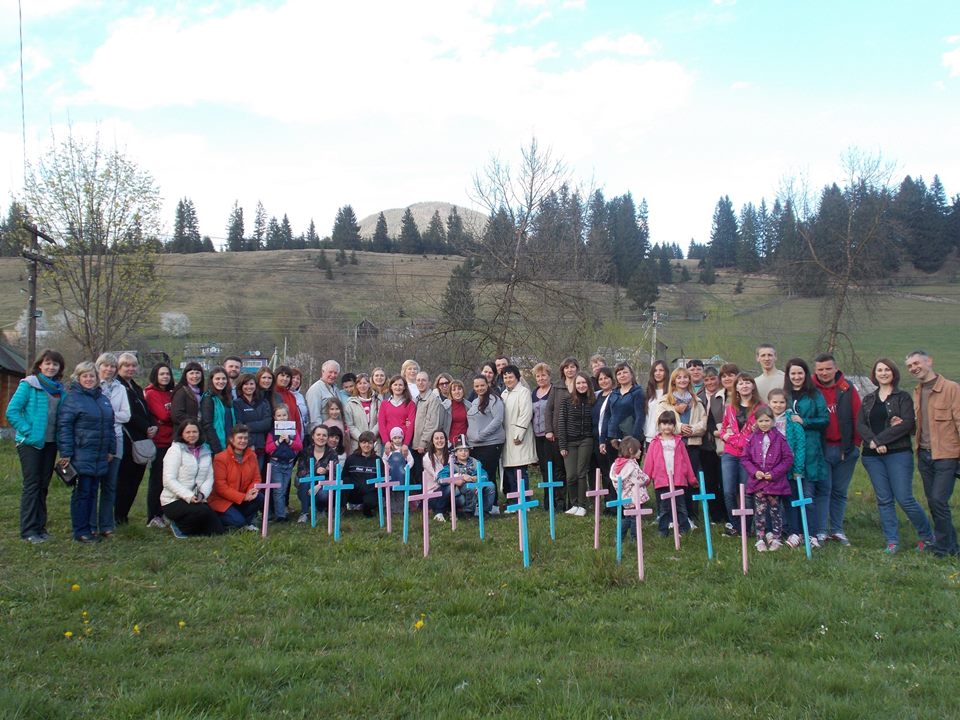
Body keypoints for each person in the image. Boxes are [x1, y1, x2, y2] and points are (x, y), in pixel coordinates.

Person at [857, 358, 933, 553]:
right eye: (879, 370)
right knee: (884, 500)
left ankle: (928, 538)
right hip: (872, 457)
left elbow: (907, 424)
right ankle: (892, 541)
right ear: (875, 374)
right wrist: (873, 442)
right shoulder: (868, 399)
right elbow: (861, 425)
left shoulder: (903, 397)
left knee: (904, 498)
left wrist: (879, 440)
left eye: (887, 370)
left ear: (893, 373)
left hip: (898, 454)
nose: (883, 373)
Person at [7, 348, 65, 544]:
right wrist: (28, 431)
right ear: (40, 365)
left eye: (55, 364)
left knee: (43, 486)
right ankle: (29, 530)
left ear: (59, 368)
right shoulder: (29, 384)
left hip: (50, 443)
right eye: (47, 363)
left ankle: (40, 527)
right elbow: (12, 411)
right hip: (30, 443)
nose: (51, 367)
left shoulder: (59, 390)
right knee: (32, 485)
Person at [907, 350, 960, 558]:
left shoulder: (951, 388)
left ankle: (943, 548)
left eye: (916, 363)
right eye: (910, 366)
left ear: (929, 361)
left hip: (946, 454)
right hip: (924, 454)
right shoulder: (918, 391)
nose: (913, 368)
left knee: (938, 500)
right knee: (933, 502)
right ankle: (951, 546)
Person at [57, 361, 116, 543]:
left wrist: (111, 449)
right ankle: (81, 531)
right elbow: (64, 427)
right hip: (80, 453)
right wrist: (66, 453)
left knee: (92, 491)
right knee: (82, 492)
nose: (89, 379)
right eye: (85, 376)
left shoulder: (102, 399)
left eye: (92, 376)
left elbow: (110, 427)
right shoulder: (72, 399)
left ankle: (90, 528)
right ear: (78, 378)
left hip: (99, 454)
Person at [812, 353, 861, 547]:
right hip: (821, 448)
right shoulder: (811, 389)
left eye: (828, 369)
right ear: (815, 370)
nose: (824, 373)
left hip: (845, 449)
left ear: (835, 368)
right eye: (820, 369)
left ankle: (837, 530)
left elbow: (858, 416)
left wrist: (854, 444)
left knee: (840, 491)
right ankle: (821, 530)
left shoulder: (847, 388)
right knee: (823, 490)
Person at [783, 358, 829, 547]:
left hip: (810, 450)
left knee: (808, 494)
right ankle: (794, 532)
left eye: (800, 373)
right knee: (791, 494)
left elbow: (824, 419)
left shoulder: (814, 395)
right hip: (788, 450)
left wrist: (805, 421)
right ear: (788, 375)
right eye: (793, 373)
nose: (796, 377)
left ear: (806, 374)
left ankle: (811, 533)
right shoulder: (784, 395)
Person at [741, 406, 794, 552]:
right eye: (761, 421)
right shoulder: (752, 439)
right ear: (756, 422)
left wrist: (775, 473)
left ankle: (776, 538)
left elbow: (788, 458)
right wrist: (755, 472)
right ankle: (760, 539)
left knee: (775, 510)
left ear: (772, 421)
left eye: (767, 420)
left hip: (775, 482)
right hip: (758, 482)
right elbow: (745, 458)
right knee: (759, 511)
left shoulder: (780, 438)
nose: (764, 423)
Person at [717, 372, 763, 536]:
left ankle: (747, 527)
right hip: (730, 453)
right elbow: (722, 430)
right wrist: (727, 437)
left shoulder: (761, 407)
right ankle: (735, 525)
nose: (744, 386)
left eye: (747, 382)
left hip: (750, 456)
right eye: (741, 383)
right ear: (736, 388)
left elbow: (761, 431)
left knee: (747, 491)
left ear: (753, 386)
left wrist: (738, 440)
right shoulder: (730, 408)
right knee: (728, 491)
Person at [115, 352, 157, 525]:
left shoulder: (136, 387)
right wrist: (145, 427)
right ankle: (117, 515)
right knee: (124, 480)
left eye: (133, 365)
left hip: (141, 438)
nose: (130, 369)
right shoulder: (117, 386)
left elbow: (146, 409)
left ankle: (124, 514)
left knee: (136, 479)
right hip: (127, 437)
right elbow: (128, 414)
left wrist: (153, 425)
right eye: (126, 365)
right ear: (119, 367)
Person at [160, 419, 222, 537]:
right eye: (188, 432)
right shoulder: (175, 450)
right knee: (202, 511)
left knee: (217, 530)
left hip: (197, 499)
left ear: (199, 433)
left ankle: (193, 525)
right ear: (182, 434)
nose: (191, 435)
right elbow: (168, 480)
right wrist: (189, 496)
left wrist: (202, 494)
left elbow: (209, 478)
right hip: (174, 500)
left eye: (194, 432)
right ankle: (179, 526)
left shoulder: (205, 451)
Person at [94, 353, 130, 537]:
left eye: (112, 366)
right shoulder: (91, 384)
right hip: (94, 439)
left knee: (110, 485)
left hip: (116, 438)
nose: (109, 369)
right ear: (98, 366)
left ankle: (107, 525)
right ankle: (91, 524)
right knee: (92, 484)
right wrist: (110, 415)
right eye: (105, 365)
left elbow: (126, 415)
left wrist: (105, 415)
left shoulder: (120, 388)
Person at [643, 411, 696, 537]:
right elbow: (649, 462)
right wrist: (645, 479)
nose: (667, 427)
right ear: (659, 425)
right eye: (664, 423)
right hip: (661, 481)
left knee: (680, 507)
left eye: (670, 424)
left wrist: (692, 479)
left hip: (678, 480)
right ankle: (663, 531)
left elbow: (686, 462)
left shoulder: (679, 442)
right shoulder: (654, 443)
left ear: (674, 426)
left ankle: (684, 530)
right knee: (663, 508)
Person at [766, 388, 807, 548]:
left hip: (789, 469)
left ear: (786, 403)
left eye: (781, 402)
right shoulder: (765, 420)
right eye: (774, 402)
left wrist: (798, 468)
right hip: (770, 470)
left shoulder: (792, 420)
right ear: (769, 403)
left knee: (791, 501)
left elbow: (800, 445)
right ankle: (772, 531)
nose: (778, 405)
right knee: (771, 501)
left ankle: (795, 532)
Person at [209, 424, 261, 530]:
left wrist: (251, 491)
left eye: (245, 438)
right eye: (240, 438)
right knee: (238, 521)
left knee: (259, 497)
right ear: (232, 440)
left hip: (243, 498)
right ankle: (226, 520)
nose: (243, 441)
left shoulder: (252, 456)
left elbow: (256, 479)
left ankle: (246, 521)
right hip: (222, 501)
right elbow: (220, 487)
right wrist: (243, 497)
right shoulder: (220, 458)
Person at [558, 372, 595, 517]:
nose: (581, 385)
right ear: (574, 385)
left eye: (584, 382)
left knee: (581, 473)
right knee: (571, 475)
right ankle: (574, 504)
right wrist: (562, 445)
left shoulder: (592, 400)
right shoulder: (567, 400)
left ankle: (582, 505)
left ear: (588, 384)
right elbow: (562, 422)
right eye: (578, 383)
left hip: (586, 440)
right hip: (570, 442)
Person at [467, 375, 505, 512]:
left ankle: (493, 505)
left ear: (487, 385)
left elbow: (498, 420)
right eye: (476, 386)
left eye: (482, 385)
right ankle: (481, 504)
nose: (479, 388)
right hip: (475, 445)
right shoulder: (475, 402)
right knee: (479, 475)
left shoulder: (495, 400)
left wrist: (482, 435)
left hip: (491, 443)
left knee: (488, 474)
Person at [143, 362, 176, 528]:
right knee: (157, 479)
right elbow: (163, 415)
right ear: (155, 375)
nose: (165, 377)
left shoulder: (171, 393)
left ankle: (163, 512)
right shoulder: (151, 393)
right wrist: (174, 415)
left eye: (167, 374)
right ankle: (153, 515)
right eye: (162, 374)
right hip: (159, 442)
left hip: (172, 441)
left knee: (168, 480)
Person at [531, 362, 565, 509]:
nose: (541, 378)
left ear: (549, 376)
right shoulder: (533, 393)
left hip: (552, 435)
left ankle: (559, 501)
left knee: (557, 468)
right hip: (538, 436)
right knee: (545, 468)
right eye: (538, 376)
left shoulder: (555, 391)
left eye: (543, 375)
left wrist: (552, 431)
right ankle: (548, 501)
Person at [501, 364, 537, 501]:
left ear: (517, 377)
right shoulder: (504, 394)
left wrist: (518, 434)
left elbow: (526, 414)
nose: (508, 380)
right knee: (510, 472)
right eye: (505, 377)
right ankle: (513, 501)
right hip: (507, 438)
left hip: (518, 438)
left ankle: (524, 501)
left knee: (520, 472)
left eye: (510, 377)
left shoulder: (523, 392)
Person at [265, 405, 302, 521]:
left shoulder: (293, 431)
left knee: (284, 489)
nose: (282, 418)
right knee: (278, 490)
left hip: (288, 464)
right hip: (276, 464)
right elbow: (268, 449)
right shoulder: (272, 432)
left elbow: (299, 446)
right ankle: (280, 515)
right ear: (275, 417)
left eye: (284, 415)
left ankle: (281, 512)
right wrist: (279, 441)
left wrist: (289, 441)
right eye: (279, 415)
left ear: (288, 416)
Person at [295, 424, 338, 522]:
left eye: (324, 435)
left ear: (327, 438)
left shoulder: (332, 454)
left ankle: (320, 508)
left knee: (323, 494)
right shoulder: (305, 452)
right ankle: (304, 513)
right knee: (306, 479)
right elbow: (300, 472)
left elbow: (335, 476)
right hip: (306, 484)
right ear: (313, 436)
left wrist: (320, 483)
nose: (321, 437)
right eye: (318, 435)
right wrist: (316, 471)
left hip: (322, 485)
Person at [610, 436, 650, 540]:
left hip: (625, 496)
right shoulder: (631, 465)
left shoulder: (617, 465)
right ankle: (635, 538)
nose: (640, 451)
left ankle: (619, 536)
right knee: (635, 518)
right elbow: (640, 479)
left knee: (628, 517)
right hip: (635, 496)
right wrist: (647, 478)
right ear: (631, 450)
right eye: (639, 449)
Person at [233, 372, 273, 476]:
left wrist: (247, 425)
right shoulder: (237, 403)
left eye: (251, 384)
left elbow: (267, 424)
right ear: (241, 386)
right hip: (245, 447)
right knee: (243, 477)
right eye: (246, 384)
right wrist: (249, 444)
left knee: (257, 477)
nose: (249, 387)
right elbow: (239, 425)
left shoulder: (263, 403)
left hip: (260, 447)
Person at [342, 431, 385, 517]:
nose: (367, 445)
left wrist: (370, 488)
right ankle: (342, 508)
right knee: (343, 485)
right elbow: (344, 476)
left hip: (369, 491)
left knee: (371, 501)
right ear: (359, 443)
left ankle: (367, 509)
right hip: (353, 491)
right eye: (364, 442)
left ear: (373, 444)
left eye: (370, 443)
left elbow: (382, 478)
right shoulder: (351, 459)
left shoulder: (378, 460)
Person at [607, 362, 646, 456]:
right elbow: (608, 416)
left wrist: (634, 440)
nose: (622, 375)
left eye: (625, 372)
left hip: (630, 438)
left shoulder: (638, 392)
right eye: (619, 374)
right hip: (613, 438)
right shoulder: (613, 394)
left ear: (631, 374)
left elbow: (640, 417)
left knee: (630, 464)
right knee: (614, 465)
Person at [412, 371, 442, 481]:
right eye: (418, 380)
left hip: (424, 446)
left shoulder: (432, 399)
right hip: (415, 445)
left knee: (425, 476)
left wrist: (423, 443)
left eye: (423, 380)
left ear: (429, 382)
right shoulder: (417, 399)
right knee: (416, 475)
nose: (421, 383)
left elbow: (432, 424)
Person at [591, 366, 617, 492]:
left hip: (609, 439)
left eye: (606, 378)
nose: (603, 381)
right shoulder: (596, 396)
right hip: (596, 438)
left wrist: (605, 439)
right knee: (603, 471)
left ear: (612, 379)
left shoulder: (615, 395)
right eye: (600, 379)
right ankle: (607, 499)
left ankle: (614, 500)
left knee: (611, 471)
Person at [199, 366, 236, 455]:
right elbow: (207, 425)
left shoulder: (228, 397)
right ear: (211, 380)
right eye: (217, 379)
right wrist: (217, 449)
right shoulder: (208, 398)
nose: (221, 381)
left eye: (224, 379)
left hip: (230, 442)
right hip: (215, 446)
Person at [421, 429, 455, 521]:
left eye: (442, 438)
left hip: (449, 488)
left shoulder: (451, 456)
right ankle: (439, 512)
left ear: (446, 440)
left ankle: (451, 511)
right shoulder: (427, 458)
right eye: (436, 438)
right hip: (433, 492)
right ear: (432, 441)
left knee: (461, 499)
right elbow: (439, 478)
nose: (439, 440)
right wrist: (455, 478)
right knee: (450, 487)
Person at [345, 373, 381, 453]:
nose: (362, 386)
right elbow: (350, 425)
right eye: (360, 383)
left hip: (374, 443)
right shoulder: (350, 403)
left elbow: (380, 421)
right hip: (357, 444)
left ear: (369, 384)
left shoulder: (378, 401)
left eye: (365, 383)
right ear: (356, 386)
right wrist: (362, 439)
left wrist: (371, 437)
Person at [378, 375, 415, 449]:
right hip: (388, 444)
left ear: (404, 387)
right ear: (391, 387)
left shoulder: (410, 404)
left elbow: (411, 425)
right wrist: (386, 441)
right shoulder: (384, 404)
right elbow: (381, 424)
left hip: (404, 444)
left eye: (400, 385)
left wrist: (406, 443)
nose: (398, 387)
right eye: (395, 385)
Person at [273, 365, 304, 440]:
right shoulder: (270, 394)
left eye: (288, 376)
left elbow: (297, 420)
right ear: (276, 376)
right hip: (274, 438)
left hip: (291, 438)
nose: (285, 379)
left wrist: (297, 439)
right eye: (282, 375)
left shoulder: (291, 396)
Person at [642, 361, 669, 443]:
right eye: (655, 370)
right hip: (650, 437)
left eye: (661, 370)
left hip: (666, 437)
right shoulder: (648, 392)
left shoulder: (671, 392)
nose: (658, 373)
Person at [171, 361, 204, 427]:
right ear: (185, 376)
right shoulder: (181, 392)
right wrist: (196, 420)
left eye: (197, 373)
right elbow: (177, 415)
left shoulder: (201, 392)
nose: (195, 376)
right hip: (185, 430)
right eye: (191, 373)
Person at [383, 426, 415, 491]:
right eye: (395, 438)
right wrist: (387, 466)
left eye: (399, 437)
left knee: (402, 488)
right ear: (391, 439)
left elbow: (411, 460)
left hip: (402, 474)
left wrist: (406, 468)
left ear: (402, 438)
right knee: (391, 489)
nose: (397, 440)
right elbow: (384, 458)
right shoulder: (389, 449)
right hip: (391, 473)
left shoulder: (405, 450)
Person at [446, 379, 470, 447]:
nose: (457, 392)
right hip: (450, 443)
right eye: (454, 390)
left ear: (463, 390)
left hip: (465, 443)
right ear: (450, 392)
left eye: (459, 389)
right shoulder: (445, 407)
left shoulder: (469, 406)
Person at [289, 368, 310, 435]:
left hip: (301, 433)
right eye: (293, 377)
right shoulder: (283, 395)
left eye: (298, 378)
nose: (295, 380)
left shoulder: (301, 396)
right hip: (288, 433)